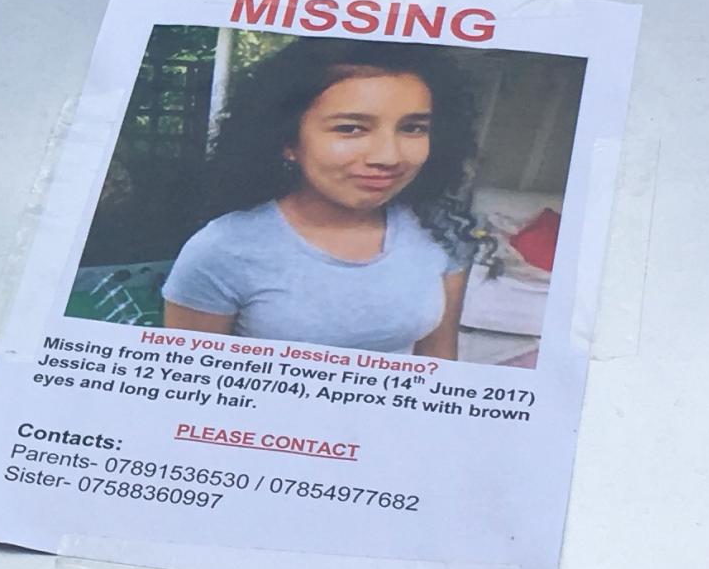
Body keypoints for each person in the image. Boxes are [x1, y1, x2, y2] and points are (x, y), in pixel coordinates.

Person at [161, 40, 483, 358]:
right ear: (288, 141)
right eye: (351, 128)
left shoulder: (440, 230)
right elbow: (188, 385)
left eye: (412, 128)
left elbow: (438, 364)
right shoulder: (223, 249)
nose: (389, 156)